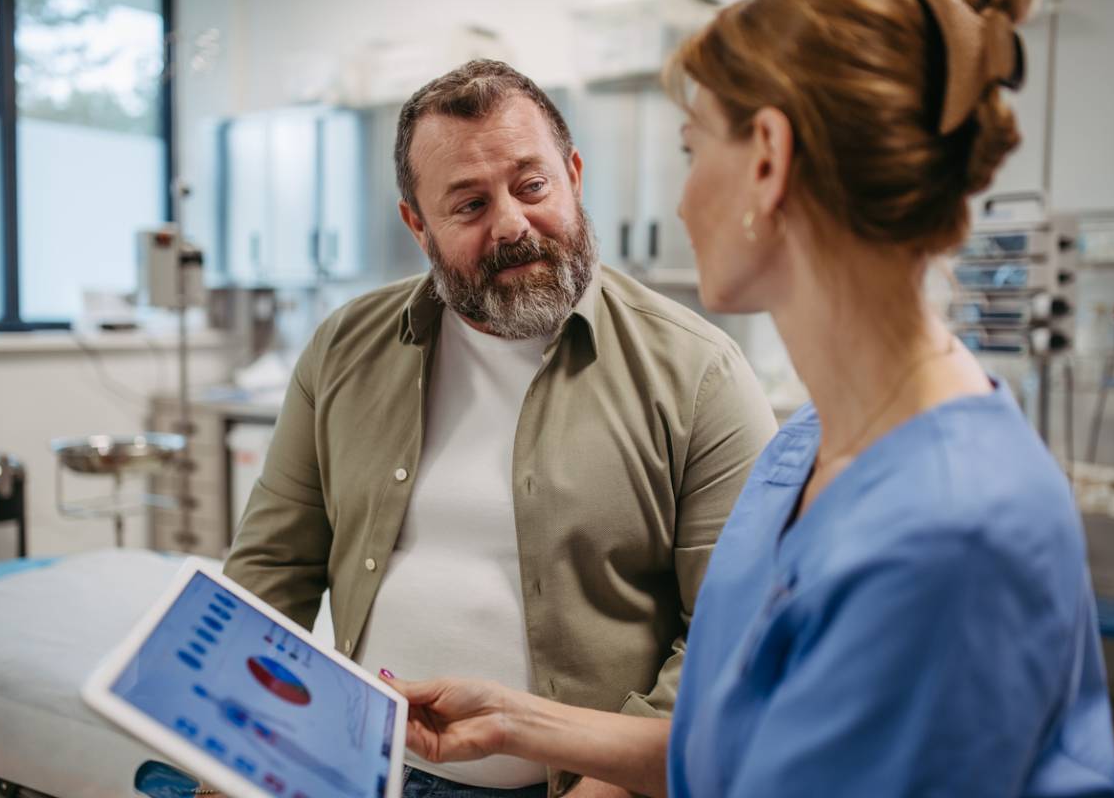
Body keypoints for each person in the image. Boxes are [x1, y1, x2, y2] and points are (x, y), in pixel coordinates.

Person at [381, 0, 1114, 795]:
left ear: (766, 161)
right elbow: (748, 745)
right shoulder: (805, 451)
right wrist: (523, 722)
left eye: (694, 150)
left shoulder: (954, 528)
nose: (682, 199)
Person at [223, 60, 778, 798]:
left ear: (574, 174)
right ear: (417, 224)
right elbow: (270, 571)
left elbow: (733, 637)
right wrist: (228, 753)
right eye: (469, 204)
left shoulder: (700, 374)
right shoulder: (344, 349)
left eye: (532, 185)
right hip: (358, 769)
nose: (512, 224)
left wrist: (606, 789)